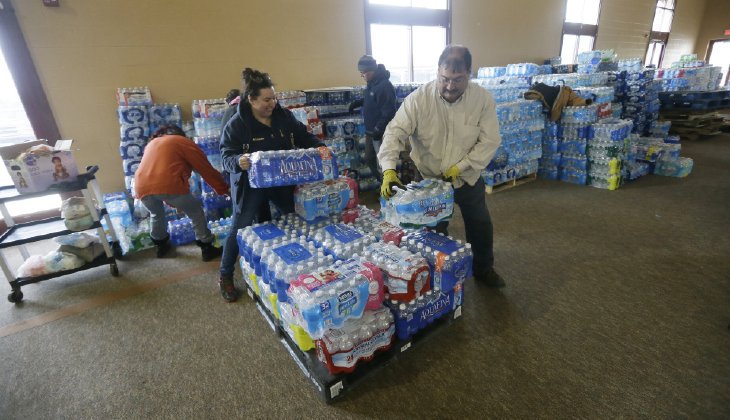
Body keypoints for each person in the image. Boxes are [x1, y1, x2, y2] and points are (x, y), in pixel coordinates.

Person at [377, 45, 505, 288]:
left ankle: (484, 269)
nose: (450, 86)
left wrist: (462, 166)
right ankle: (437, 276)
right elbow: (394, 132)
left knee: (480, 223)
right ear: (437, 71)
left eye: (458, 79)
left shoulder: (482, 100)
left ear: (469, 74)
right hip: (429, 178)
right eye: (445, 79)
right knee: (432, 229)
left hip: (466, 177)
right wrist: (389, 169)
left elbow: (490, 140)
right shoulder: (418, 99)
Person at [218, 68, 324, 302]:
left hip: (281, 182)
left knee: (295, 218)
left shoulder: (283, 116)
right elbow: (225, 157)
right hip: (250, 185)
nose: (272, 104)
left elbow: (304, 136)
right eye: (267, 100)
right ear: (252, 99)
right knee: (240, 227)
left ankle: (302, 266)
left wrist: (321, 148)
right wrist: (238, 161)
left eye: (274, 98)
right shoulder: (237, 124)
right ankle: (225, 275)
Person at [134, 124, 229, 261]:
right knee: (196, 212)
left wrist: (175, 201)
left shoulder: (152, 143)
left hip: (141, 186)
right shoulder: (183, 142)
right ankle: (206, 247)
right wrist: (223, 188)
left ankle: (161, 245)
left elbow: (160, 175)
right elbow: (205, 169)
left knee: (156, 214)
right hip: (168, 185)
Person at [348, 55, 397, 182]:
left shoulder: (385, 86)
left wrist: (378, 129)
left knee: (384, 163)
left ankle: (389, 187)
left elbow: (389, 111)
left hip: (381, 132)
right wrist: (358, 103)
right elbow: (371, 99)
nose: (362, 75)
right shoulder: (372, 83)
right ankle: (382, 183)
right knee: (369, 159)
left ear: (371, 71)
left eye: (363, 72)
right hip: (370, 132)